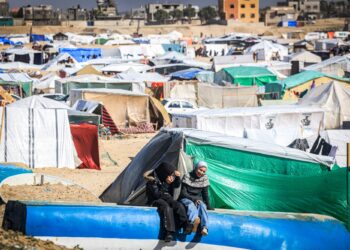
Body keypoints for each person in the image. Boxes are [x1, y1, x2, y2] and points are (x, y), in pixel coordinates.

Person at [144, 162, 188, 242]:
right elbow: (157, 195)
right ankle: (169, 233)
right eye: (169, 174)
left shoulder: (166, 176)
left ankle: (185, 224)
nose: (171, 176)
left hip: (167, 197)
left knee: (177, 204)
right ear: (164, 173)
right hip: (155, 200)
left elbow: (176, 185)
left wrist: (177, 177)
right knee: (166, 207)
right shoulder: (152, 179)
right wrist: (166, 184)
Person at [179, 160, 213, 236]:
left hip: (198, 199)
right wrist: (193, 199)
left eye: (204, 171)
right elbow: (183, 193)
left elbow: (205, 194)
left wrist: (208, 205)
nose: (201, 173)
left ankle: (205, 227)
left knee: (202, 206)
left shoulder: (204, 178)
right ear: (196, 168)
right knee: (190, 205)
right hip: (186, 198)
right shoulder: (187, 176)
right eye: (200, 170)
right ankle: (193, 222)